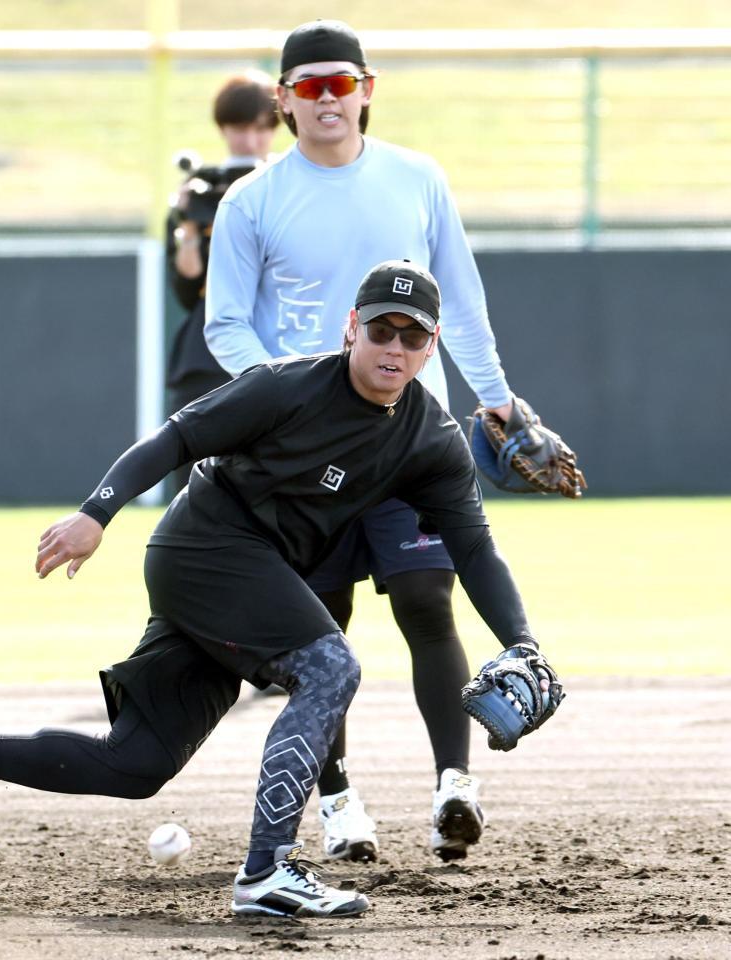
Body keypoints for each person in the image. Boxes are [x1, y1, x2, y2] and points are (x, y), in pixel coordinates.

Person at [0, 260, 547, 920]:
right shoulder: (287, 386)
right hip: (206, 546)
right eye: (380, 328)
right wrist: (96, 513)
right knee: (329, 666)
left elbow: (474, 547)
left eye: (411, 334)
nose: (393, 346)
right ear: (350, 327)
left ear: (430, 347)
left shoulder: (430, 437)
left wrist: (523, 643)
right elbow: (176, 438)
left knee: (134, 763)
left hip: (244, 577)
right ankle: (267, 870)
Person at [204, 19, 515, 864]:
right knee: (320, 632)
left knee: (425, 601)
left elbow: (463, 305)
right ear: (283, 101)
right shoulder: (251, 200)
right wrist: (288, 400)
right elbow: (225, 326)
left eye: (340, 83)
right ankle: (338, 803)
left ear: (367, 89)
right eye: (308, 87)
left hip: (412, 437)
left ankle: (455, 786)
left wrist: (498, 405)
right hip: (303, 455)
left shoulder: (416, 178)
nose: (327, 98)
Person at [165, 70, 279, 494]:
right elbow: (185, 288)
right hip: (206, 353)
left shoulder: (288, 187)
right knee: (191, 484)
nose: (249, 141)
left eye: (260, 129)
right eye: (238, 128)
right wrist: (188, 225)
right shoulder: (202, 192)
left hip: (276, 344)